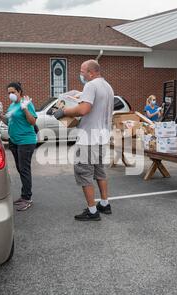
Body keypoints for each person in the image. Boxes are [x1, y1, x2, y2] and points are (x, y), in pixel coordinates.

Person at [53, 60, 114, 222]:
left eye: (82, 71)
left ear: (91, 73)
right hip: (101, 137)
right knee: (99, 171)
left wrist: (64, 110)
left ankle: (92, 211)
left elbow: (84, 109)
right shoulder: (107, 87)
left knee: (84, 173)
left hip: (88, 139)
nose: (81, 74)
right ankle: (105, 204)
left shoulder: (91, 85)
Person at [0, 82, 38, 211]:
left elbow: (32, 122)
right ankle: (24, 195)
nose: (10, 95)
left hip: (25, 141)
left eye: (13, 92)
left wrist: (25, 108)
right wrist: (0, 115)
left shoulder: (27, 104)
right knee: (21, 169)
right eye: (9, 93)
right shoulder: (12, 106)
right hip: (14, 141)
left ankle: (27, 198)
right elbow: (9, 121)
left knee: (24, 169)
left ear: (19, 92)